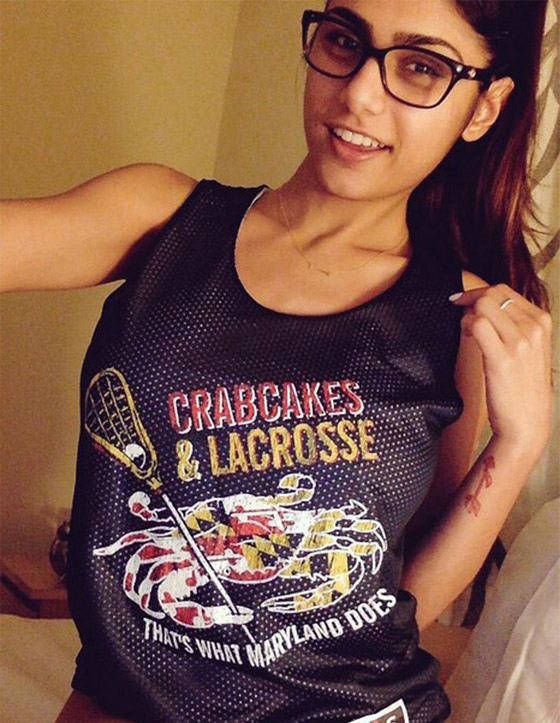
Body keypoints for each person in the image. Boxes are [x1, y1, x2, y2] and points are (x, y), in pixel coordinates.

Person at [0, 1, 553, 721]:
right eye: (344, 40)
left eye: (421, 67)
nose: (359, 93)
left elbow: (398, 597)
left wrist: (519, 443)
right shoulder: (165, 219)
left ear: (484, 107)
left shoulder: (461, 318)